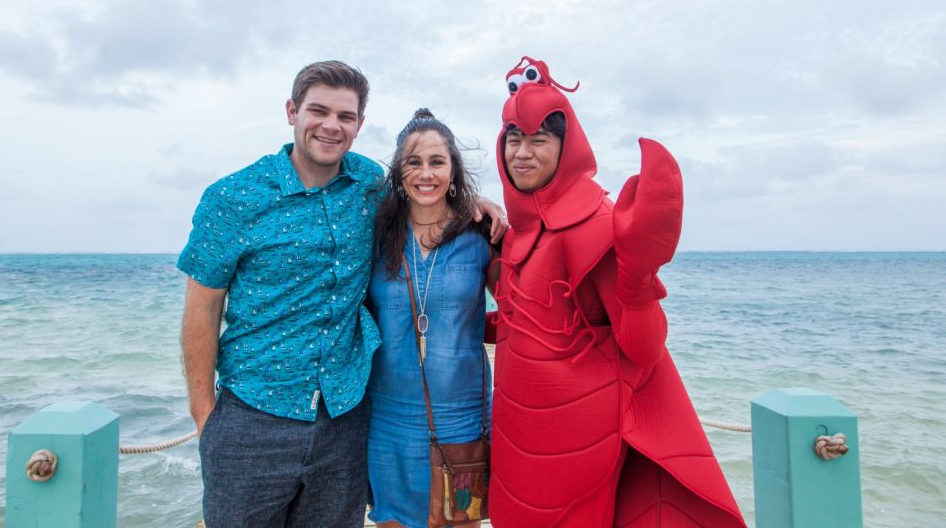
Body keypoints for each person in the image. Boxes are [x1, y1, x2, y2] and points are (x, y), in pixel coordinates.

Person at [178, 62, 506, 528]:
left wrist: (473, 203)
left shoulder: (368, 187)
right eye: (319, 110)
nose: (331, 125)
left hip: (344, 422)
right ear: (292, 111)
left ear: (359, 125)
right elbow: (202, 308)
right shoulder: (233, 196)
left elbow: (425, 189)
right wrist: (205, 417)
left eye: (345, 116)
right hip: (252, 421)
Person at [487, 57, 746, 527]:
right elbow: (521, 321)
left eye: (539, 140)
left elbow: (641, 347)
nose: (522, 153)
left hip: (578, 438)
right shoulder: (515, 231)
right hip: (513, 429)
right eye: (514, 140)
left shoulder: (598, 221)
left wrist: (639, 276)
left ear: (567, 148)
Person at [366, 109, 493, 528]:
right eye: (414, 162)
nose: (426, 173)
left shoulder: (482, 236)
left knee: (461, 521)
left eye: (437, 162)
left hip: (462, 420)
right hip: (387, 421)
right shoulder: (375, 237)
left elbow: (527, 310)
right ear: (399, 173)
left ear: (453, 170)